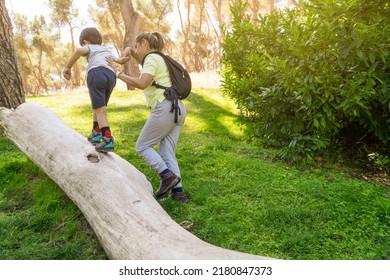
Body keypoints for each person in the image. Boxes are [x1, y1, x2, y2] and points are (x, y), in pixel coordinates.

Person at [107, 32, 188, 203]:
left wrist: (117, 73)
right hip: (178, 108)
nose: (136, 51)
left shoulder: (151, 59)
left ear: (144, 43)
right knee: (167, 152)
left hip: (164, 107)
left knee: (143, 146)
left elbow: (142, 83)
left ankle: (166, 176)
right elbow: (141, 60)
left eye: (137, 46)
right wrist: (130, 48)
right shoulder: (160, 58)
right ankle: (179, 193)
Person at [63, 27, 118, 152]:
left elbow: (79, 51)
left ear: (86, 41)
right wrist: (125, 57)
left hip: (96, 74)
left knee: (99, 111)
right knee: (99, 107)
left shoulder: (89, 47)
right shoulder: (106, 50)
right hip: (111, 76)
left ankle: (107, 139)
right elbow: (119, 60)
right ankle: (96, 132)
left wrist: (67, 67)